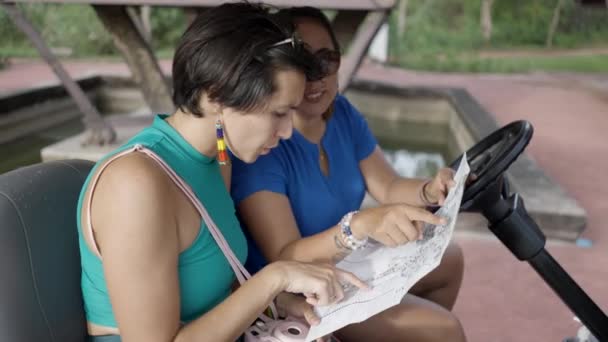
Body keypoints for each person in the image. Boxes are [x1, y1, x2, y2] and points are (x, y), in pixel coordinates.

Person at [76, 4, 367, 342]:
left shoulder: (219, 158)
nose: (288, 131)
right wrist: (274, 278)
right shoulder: (135, 184)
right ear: (216, 94)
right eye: (279, 113)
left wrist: (279, 302)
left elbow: (218, 280)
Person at [231, 6, 467, 342]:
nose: (316, 79)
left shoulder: (340, 112)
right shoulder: (267, 143)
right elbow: (285, 255)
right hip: (300, 291)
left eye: (326, 61)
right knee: (443, 329)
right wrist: (358, 226)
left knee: (451, 258)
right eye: (302, 65)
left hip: (346, 263)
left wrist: (432, 189)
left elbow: (388, 185)